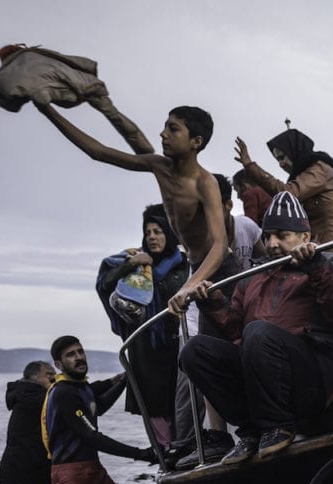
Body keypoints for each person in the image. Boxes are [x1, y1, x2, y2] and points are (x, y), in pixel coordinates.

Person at [179, 192, 333, 465]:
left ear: (305, 236)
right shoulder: (254, 276)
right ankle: (252, 432)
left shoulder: (332, 263)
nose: (272, 244)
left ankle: (278, 427)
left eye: (282, 235)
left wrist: (316, 267)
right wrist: (212, 301)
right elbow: (234, 329)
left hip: (313, 377)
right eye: (268, 237)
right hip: (262, 377)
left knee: (258, 332)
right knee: (194, 350)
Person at [34, 102, 236, 323]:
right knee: (200, 347)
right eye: (165, 127)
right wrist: (47, 110)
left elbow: (220, 245)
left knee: (229, 337)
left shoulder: (205, 183)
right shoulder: (159, 166)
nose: (163, 134)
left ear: (196, 142)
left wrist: (188, 286)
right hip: (196, 269)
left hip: (219, 271)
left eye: (173, 129)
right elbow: (98, 152)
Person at [96, 204, 188, 449]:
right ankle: (166, 450)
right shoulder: (133, 261)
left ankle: (187, 444)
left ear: (169, 233)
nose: (152, 237)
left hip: (175, 341)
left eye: (157, 231)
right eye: (148, 232)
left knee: (180, 396)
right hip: (145, 345)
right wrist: (131, 264)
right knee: (153, 401)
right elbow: (105, 284)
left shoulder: (183, 264)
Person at [43, 335, 155, 484]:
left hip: (94, 470)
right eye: (71, 355)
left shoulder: (81, 387)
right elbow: (91, 436)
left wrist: (125, 381)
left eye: (80, 351)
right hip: (70, 475)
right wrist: (142, 454)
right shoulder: (63, 393)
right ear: (59, 365)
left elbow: (99, 406)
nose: (79, 357)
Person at [234, 129, 333, 275]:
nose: (281, 164)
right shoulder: (309, 173)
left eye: (282, 157)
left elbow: (288, 193)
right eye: (278, 160)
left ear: (294, 150)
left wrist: (250, 166)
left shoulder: (318, 169)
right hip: (321, 248)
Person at [0, 44, 153, 154]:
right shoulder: (37, 54)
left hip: (58, 94)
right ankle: (146, 152)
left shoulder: (3, 77)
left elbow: (9, 104)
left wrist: (36, 101)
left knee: (41, 97)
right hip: (86, 85)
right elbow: (67, 59)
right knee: (115, 116)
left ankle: (148, 157)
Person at [0, 360, 55, 484]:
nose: (54, 379)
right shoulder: (35, 397)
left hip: (17, 473)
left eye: (54, 375)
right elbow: (77, 401)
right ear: (32, 377)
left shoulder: (25, 394)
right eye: (48, 375)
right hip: (23, 477)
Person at [215, 173, 267, 272]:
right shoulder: (200, 238)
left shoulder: (247, 226)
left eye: (212, 208)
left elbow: (265, 261)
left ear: (228, 205)